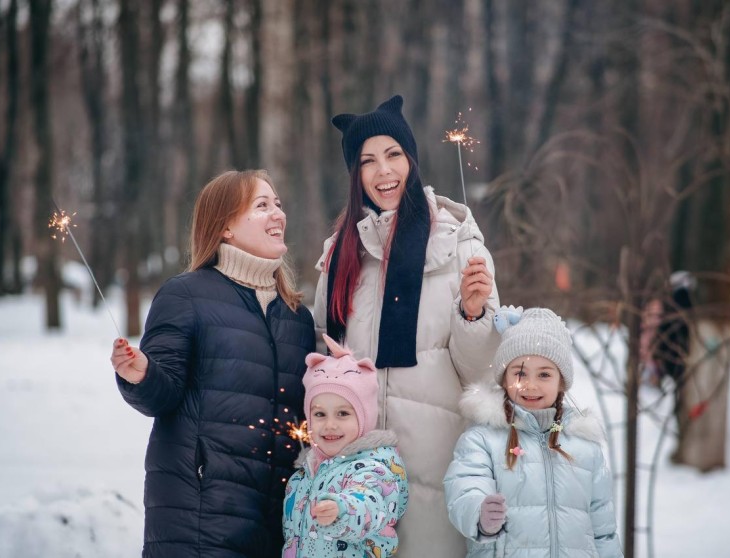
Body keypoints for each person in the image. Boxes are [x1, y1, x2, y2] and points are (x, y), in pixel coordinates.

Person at [314, 94, 500, 556]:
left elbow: (483, 373)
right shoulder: (340, 254)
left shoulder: (458, 245)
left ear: (411, 160)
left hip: (436, 466)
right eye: (368, 161)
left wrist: (474, 316)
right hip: (356, 476)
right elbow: (323, 359)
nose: (384, 171)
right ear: (355, 175)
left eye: (393, 154)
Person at [110, 170, 315, 558]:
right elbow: (161, 395)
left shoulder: (297, 318)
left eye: (278, 204)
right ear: (225, 228)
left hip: (275, 521)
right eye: (261, 206)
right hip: (199, 515)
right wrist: (141, 375)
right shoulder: (185, 295)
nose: (277, 214)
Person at [444, 307, 623, 557]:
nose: (530, 384)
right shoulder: (483, 438)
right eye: (519, 373)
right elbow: (465, 488)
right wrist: (480, 514)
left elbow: (603, 530)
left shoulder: (585, 446)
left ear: (561, 381)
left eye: (544, 374)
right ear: (504, 377)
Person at [282, 334, 409, 557]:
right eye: (320, 414)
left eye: (343, 413)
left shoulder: (374, 468)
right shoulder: (301, 477)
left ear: (364, 418)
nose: (330, 425)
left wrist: (342, 510)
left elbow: (371, 501)